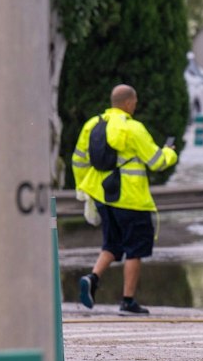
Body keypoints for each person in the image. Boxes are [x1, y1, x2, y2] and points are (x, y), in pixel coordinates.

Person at [72, 84, 178, 315]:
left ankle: (92, 278)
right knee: (135, 249)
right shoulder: (133, 128)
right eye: (135, 102)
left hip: (102, 195)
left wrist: (83, 188)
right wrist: (170, 151)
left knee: (112, 244)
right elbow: (157, 161)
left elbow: (78, 159)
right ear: (129, 103)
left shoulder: (92, 125)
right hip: (130, 199)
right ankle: (128, 300)